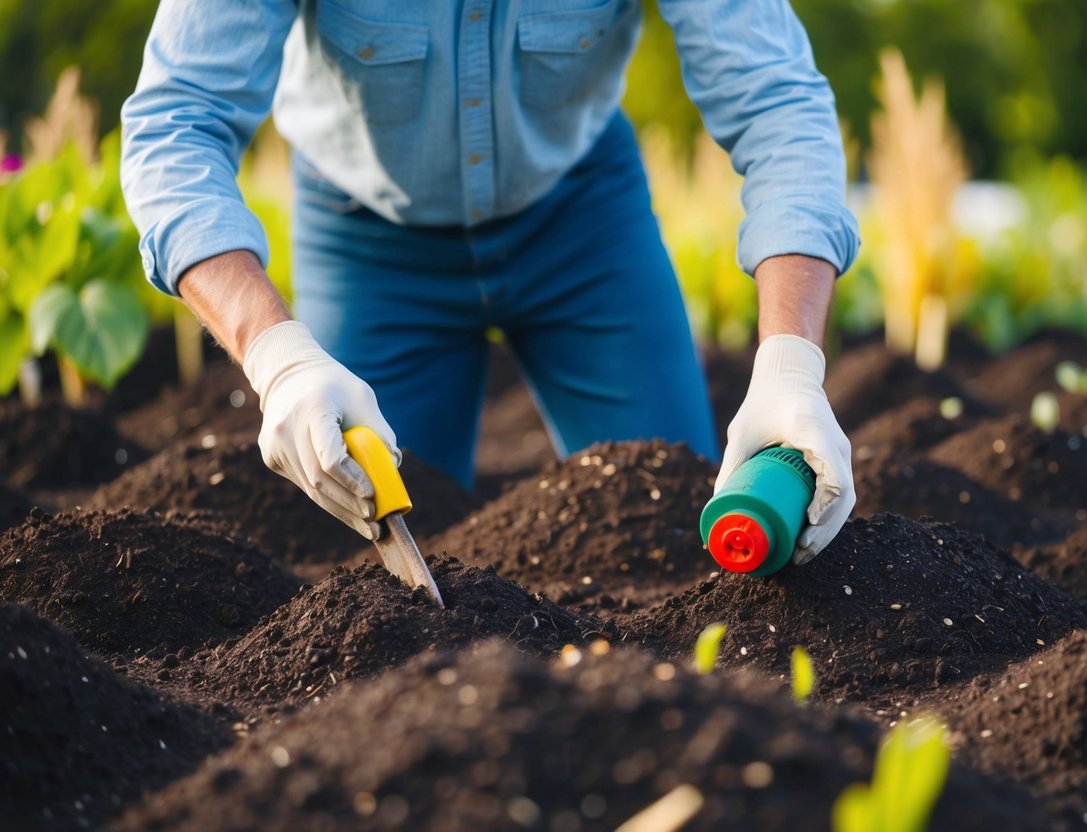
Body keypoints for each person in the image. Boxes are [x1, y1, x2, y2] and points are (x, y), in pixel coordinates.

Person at [121, 0, 858, 562]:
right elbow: (177, 120)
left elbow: (778, 105)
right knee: (373, 568)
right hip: (368, 231)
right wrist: (274, 356)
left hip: (582, 219)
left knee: (668, 524)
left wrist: (791, 367)